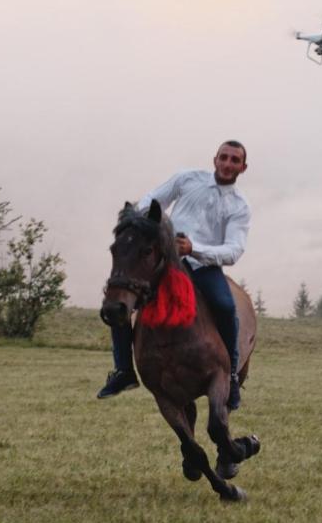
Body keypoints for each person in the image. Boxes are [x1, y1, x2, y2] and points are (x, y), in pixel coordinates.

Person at [98, 140, 251, 409]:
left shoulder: (240, 206)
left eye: (234, 160)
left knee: (226, 306)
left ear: (243, 167)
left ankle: (232, 377)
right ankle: (123, 370)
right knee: (123, 295)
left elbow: (234, 250)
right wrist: (136, 218)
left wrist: (194, 248)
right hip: (167, 262)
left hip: (203, 266)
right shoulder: (187, 178)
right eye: (224, 157)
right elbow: (153, 200)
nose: (228, 164)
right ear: (215, 159)